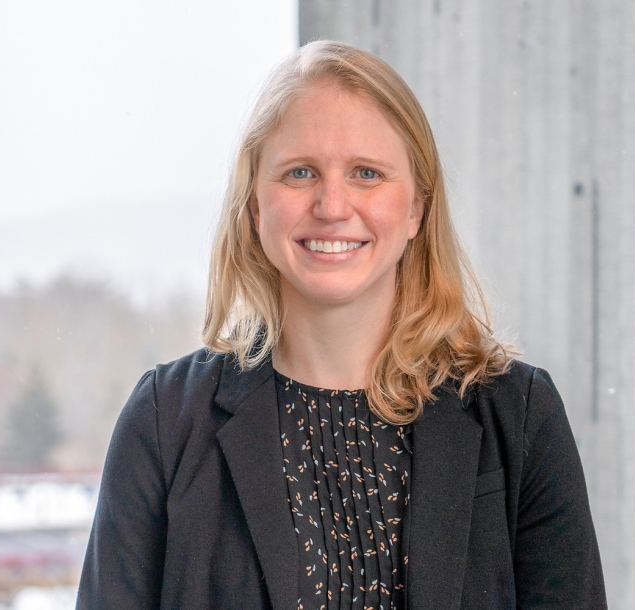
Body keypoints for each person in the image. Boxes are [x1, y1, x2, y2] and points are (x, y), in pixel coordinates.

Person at [77, 40, 606, 610]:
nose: (332, 205)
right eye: (300, 172)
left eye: (367, 173)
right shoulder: (164, 423)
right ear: (255, 205)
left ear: (416, 210)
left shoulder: (519, 417)